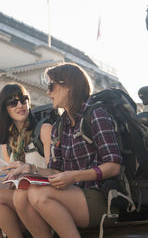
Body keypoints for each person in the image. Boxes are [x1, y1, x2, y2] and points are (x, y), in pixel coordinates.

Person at [8, 63, 123, 238]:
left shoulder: (95, 114)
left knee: (39, 194)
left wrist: (73, 176)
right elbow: (56, 170)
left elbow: (113, 166)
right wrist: (30, 169)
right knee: (20, 196)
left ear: (68, 86)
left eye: (51, 86)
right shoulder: (60, 125)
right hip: (72, 194)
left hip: (101, 198)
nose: (48, 93)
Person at [0, 82, 52, 238]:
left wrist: (28, 167)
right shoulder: (8, 143)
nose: (20, 105)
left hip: (39, 195)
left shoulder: (42, 130)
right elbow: (10, 182)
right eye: (13, 102)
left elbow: (54, 172)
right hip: (18, 195)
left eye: (23, 99)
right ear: (4, 109)